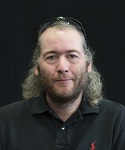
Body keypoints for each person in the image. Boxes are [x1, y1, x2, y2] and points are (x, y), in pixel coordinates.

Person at [0, 16, 125, 150]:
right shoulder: (5, 120)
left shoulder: (117, 119)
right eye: (51, 57)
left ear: (88, 64)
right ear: (37, 67)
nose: (62, 67)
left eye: (72, 56)